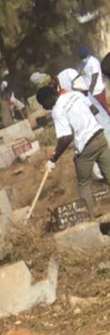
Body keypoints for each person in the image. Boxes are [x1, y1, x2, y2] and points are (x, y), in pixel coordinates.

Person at [36, 84, 110, 219]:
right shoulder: (75, 94)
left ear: (49, 98)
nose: (44, 107)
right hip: (100, 137)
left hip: (86, 146)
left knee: (84, 183)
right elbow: (94, 110)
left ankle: (92, 218)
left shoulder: (57, 110)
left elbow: (66, 137)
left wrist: (53, 160)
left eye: (43, 103)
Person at [79, 47, 109, 114]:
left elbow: (94, 77)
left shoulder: (93, 62)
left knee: (104, 109)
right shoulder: (82, 64)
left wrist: (90, 92)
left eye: (84, 57)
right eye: (82, 58)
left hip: (97, 91)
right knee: (98, 112)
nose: (83, 59)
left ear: (87, 55)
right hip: (91, 92)